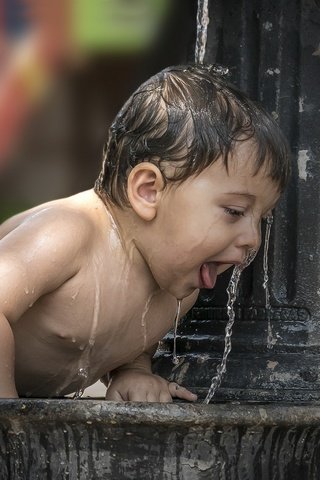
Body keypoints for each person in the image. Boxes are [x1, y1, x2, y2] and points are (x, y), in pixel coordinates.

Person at [0, 64, 290, 400]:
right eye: (235, 212)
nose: (253, 238)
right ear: (149, 190)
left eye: (261, 219)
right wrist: (8, 419)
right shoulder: (67, 233)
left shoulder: (177, 292)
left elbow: (125, 336)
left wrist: (132, 370)